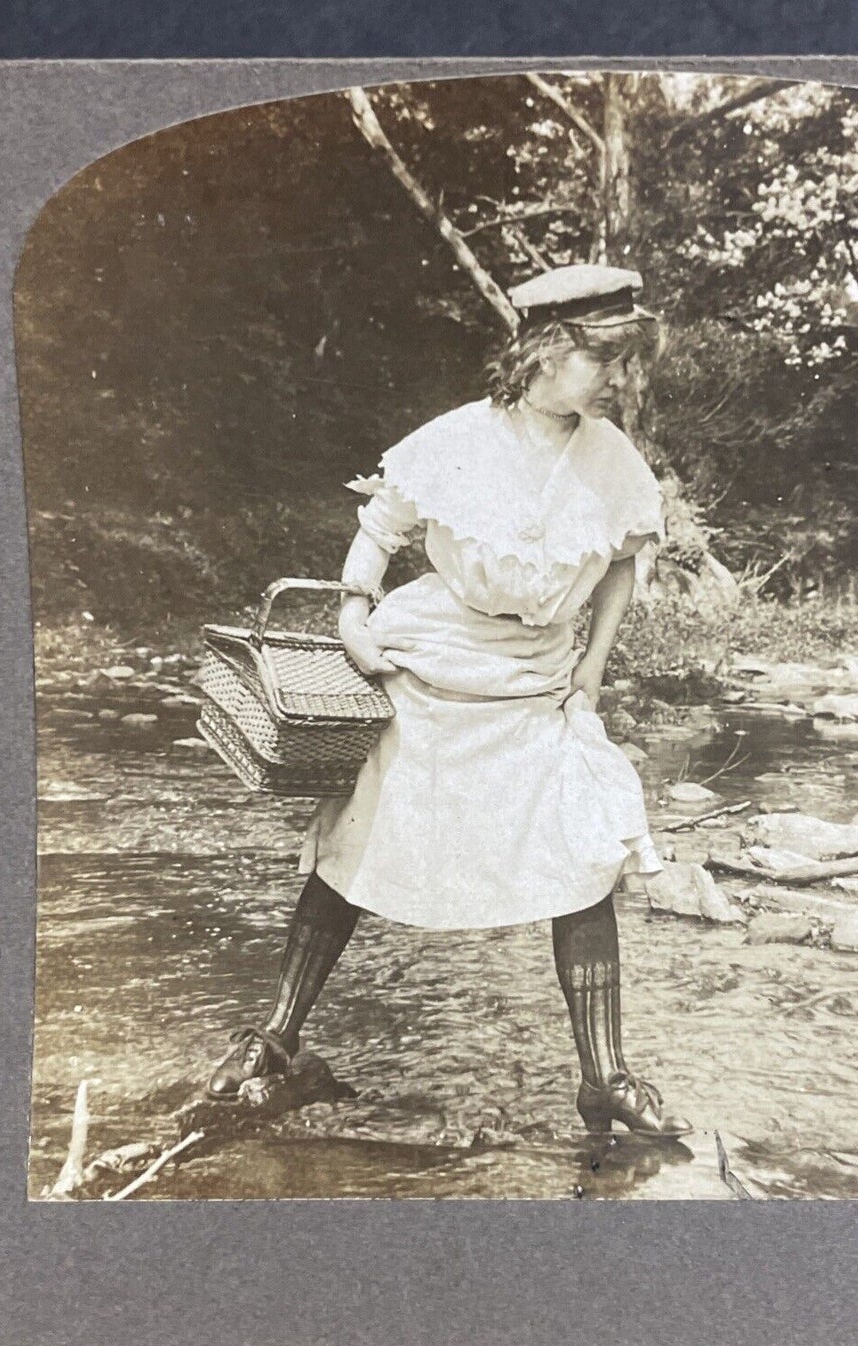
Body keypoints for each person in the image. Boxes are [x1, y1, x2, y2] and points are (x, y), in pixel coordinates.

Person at [207, 263, 689, 1140]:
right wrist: (354, 612)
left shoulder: (610, 455)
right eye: (600, 358)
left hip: (537, 680)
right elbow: (378, 532)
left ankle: (605, 1077)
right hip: (429, 669)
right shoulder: (455, 439)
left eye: (621, 361)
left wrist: (592, 669)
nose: (614, 379)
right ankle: (274, 1040)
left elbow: (622, 557)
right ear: (545, 350)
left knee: (583, 856)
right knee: (354, 853)